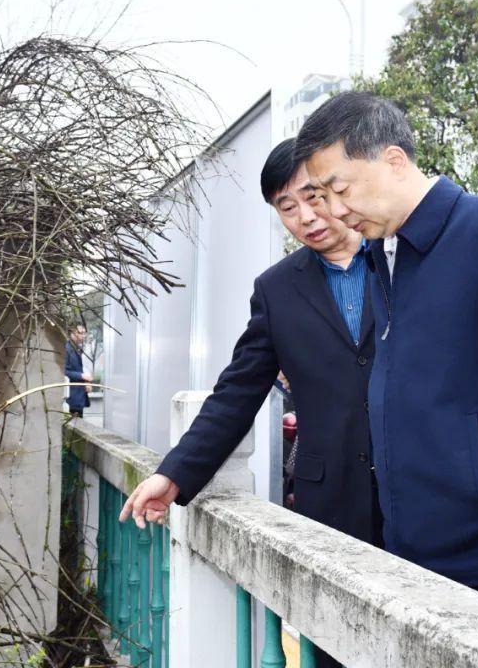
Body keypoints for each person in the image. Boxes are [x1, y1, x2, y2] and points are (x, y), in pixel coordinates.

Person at [293, 91, 478, 623]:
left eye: (340, 190)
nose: (335, 211)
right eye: (323, 196)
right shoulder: (382, 252)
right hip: (411, 547)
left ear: (394, 160)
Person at [121, 138, 379, 668]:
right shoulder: (277, 289)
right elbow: (237, 391)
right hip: (331, 504)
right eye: (287, 207)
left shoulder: (398, 258)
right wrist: (173, 474)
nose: (306, 216)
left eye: (314, 196)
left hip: (421, 498)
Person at [64, 324, 92, 418]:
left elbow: (80, 368)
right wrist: (81, 376)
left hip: (78, 396)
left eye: (85, 333)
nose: (84, 336)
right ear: (72, 333)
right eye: (81, 333)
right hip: (71, 398)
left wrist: (86, 381)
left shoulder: (77, 348)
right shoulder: (67, 349)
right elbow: (64, 371)